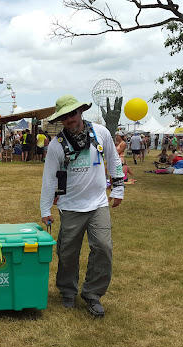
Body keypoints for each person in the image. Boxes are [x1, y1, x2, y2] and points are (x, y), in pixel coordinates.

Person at [40, 94, 125, 318]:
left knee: (103, 249)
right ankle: (67, 291)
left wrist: (118, 188)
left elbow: (114, 159)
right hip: (70, 207)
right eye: (65, 116)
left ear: (81, 112)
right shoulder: (56, 146)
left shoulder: (101, 133)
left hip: (98, 204)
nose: (70, 119)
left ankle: (93, 294)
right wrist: (45, 209)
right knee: (67, 252)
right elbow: (49, 178)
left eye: (73, 113)